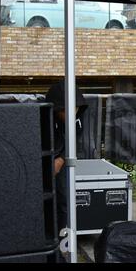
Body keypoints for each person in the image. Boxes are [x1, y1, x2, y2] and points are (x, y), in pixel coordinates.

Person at [45, 80, 88, 234]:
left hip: (63, 157)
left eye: (75, 108)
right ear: (57, 109)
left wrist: (61, 159)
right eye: (66, 110)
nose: (72, 113)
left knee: (63, 198)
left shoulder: (78, 116)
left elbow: (75, 138)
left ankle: (63, 238)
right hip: (44, 157)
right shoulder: (44, 117)